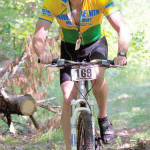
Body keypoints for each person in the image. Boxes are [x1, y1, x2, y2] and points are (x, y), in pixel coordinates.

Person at [32, 0, 130, 149]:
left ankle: (102, 117)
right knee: (68, 97)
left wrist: (121, 53)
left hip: (95, 45)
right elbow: (39, 35)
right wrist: (43, 52)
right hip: (70, 49)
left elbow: (122, 26)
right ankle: (68, 147)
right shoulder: (53, 2)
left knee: (97, 75)